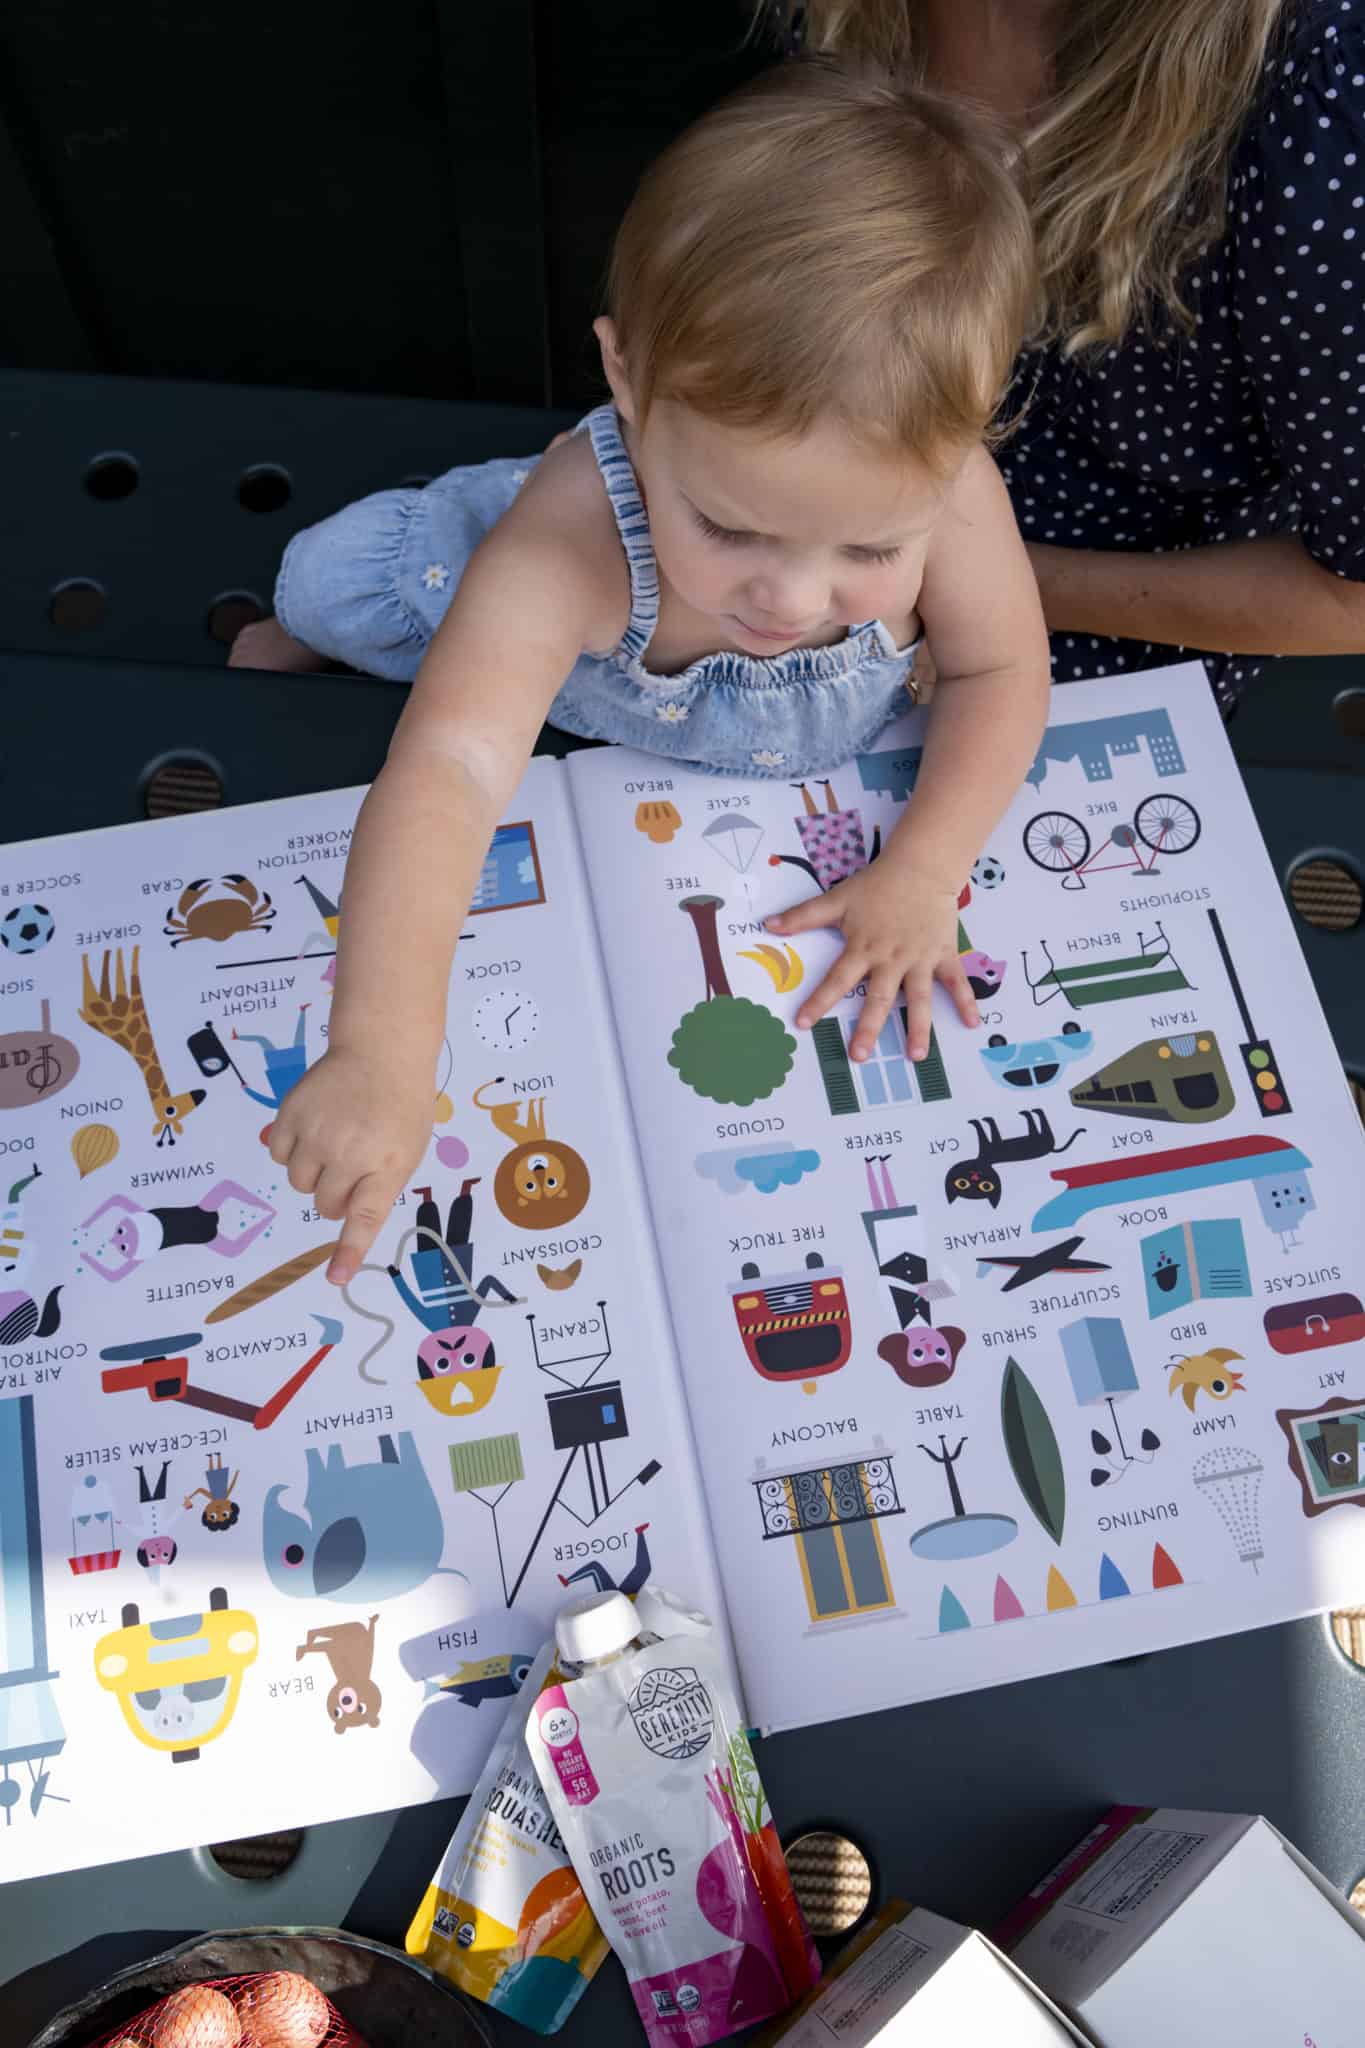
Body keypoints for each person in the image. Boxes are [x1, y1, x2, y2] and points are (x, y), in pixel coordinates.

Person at [232, 62, 1051, 1283]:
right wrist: (381, 1048)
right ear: (626, 382)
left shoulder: (954, 495)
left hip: (725, 751)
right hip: (494, 614)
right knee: (327, 589)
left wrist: (926, 868)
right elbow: (452, 767)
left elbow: (1001, 670)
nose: (794, 600)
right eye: (731, 525)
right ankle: (299, 630)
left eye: (872, 550)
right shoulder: (564, 545)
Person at [768, 0, 1365, 710]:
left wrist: (974, 582)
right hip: (761, 577)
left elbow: (1352, 599)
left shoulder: (1325, 97)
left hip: (1062, 681)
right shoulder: (848, 22)